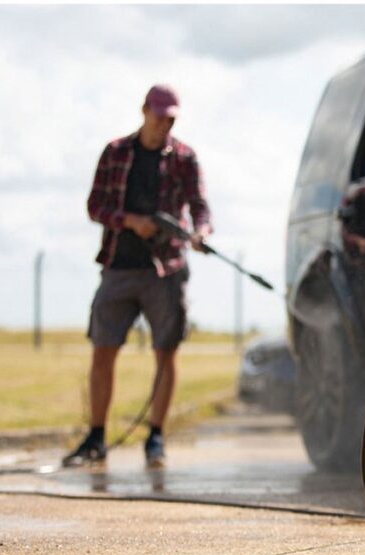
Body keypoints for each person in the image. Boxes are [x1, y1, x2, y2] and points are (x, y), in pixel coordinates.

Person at [63, 84, 212, 468]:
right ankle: (96, 436)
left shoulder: (185, 158)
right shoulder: (115, 152)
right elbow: (96, 206)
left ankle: (156, 437)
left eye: (171, 119)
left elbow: (200, 206)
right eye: (159, 116)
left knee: (166, 351)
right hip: (119, 266)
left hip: (167, 270)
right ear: (145, 110)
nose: (165, 124)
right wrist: (131, 222)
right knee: (103, 348)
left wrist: (200, 232)